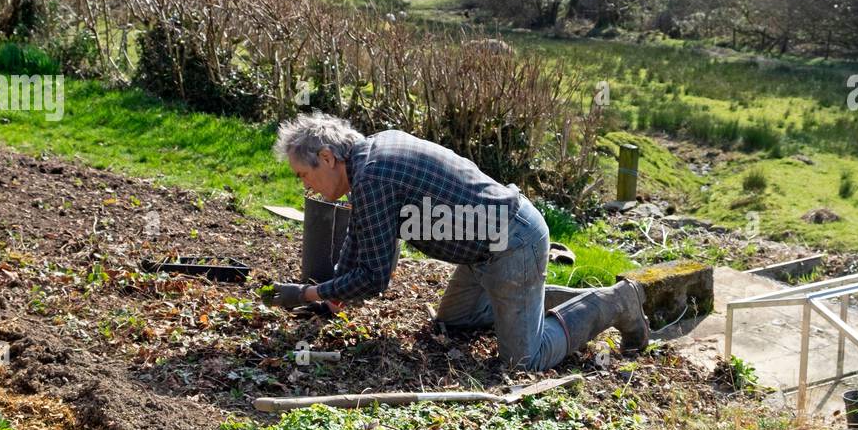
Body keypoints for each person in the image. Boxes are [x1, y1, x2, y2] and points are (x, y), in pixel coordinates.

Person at [263, 111, 649, 371]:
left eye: (302, 174)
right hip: (483, 249)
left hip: (511, 244)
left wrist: (308, 295)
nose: (304, 184)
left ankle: (616, 303)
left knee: (524, 360)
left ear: (328, 158)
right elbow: (360, 238)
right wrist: (329, 292)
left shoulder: (373, 178)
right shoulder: (373, 155)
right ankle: (528, 302)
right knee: (457, 322)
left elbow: (376, 277)